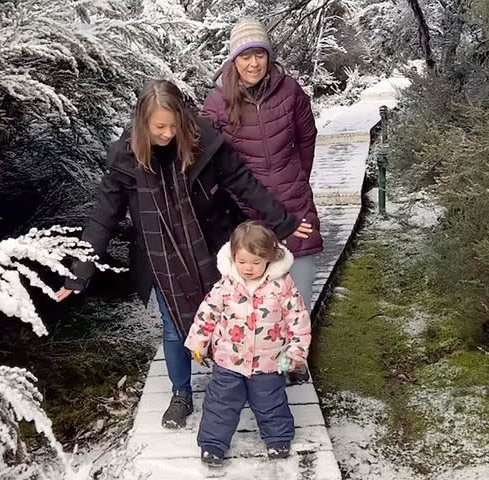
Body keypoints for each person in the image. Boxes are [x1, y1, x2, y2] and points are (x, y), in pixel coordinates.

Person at [55, 80, 313, 429]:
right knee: (176, 328)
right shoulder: (124, 159)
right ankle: (181, 393)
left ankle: (239, 383)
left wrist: (281, 221)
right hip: (160, 259)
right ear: (142, 122)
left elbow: (243, 182)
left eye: (174, 125)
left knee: (230, 318)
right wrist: (79, 272)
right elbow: (103, 215)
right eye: (159, 127)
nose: (167, 134)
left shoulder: (202, 141)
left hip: (213, 247)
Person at [202, 18, 322, 383]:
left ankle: (292, 360)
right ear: (233, 61)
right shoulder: (218, 103)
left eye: (259, 55)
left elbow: (307, 138)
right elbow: (210, 159)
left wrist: (296, 178)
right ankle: (254, 362)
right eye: (245, 56)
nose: (253, 64)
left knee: (297, 288)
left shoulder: (290, 91)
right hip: (247, 210)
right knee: (253, 290)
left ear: (268, 57)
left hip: (294, 200)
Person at [185, 221, 311, 467]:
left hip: (269, 360)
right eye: (242, 262)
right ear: (233, 258)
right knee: (221, 403)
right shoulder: (226, 284)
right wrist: (198, 342)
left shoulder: (282, 286)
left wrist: (295, 351)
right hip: (228, 359)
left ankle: (278, 438)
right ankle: (212, 444)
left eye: (255, 262)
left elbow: (298, 319)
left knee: (270, 401)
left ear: (269, 258)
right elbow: (207, 313)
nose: (248, 268)